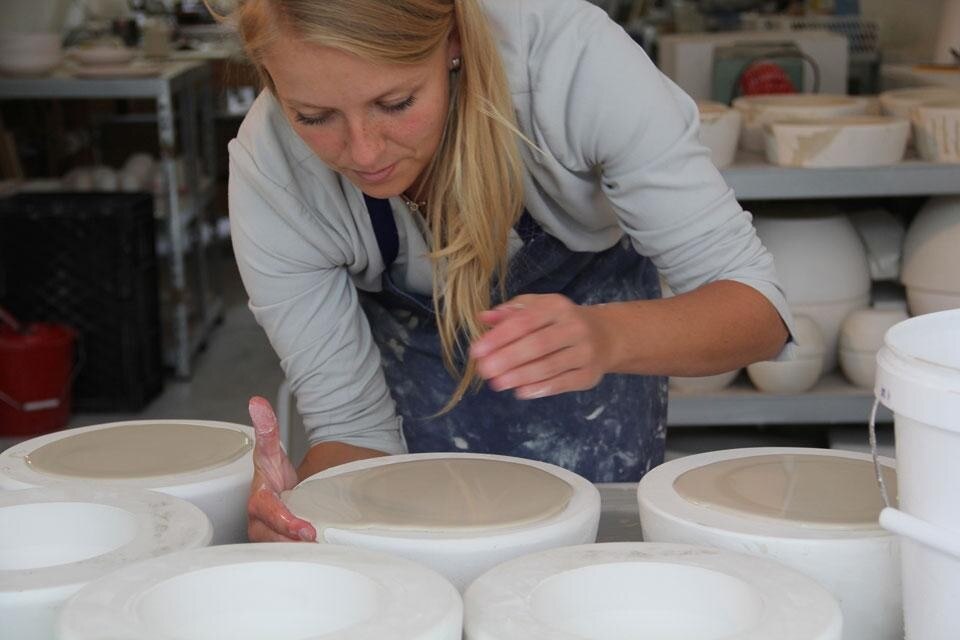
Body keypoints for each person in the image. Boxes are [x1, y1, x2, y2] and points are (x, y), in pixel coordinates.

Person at [224, 0, 795, 543]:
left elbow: (758, 311)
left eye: (395, 103)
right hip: (415, 466)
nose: (364, 152)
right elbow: (354, 430)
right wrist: (304, 511)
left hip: (598, 404)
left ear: (450, 42)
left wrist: (607, 335)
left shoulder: (571, 66)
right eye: (314, 117)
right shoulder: (272, 171)